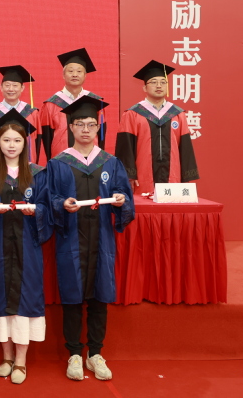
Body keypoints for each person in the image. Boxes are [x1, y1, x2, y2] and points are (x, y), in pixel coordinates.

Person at [46, 97, 134, 382]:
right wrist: (61, 204)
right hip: (71, 238)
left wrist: (121, 199)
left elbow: (124, 194)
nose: (86, 129)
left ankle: (95, 353)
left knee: (99, 295)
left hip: (101, 239)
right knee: (72, 296)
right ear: (71, 127)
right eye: (80, 124)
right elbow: (50, 199)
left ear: (98, 128)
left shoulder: (110, 162)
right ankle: (74, 353)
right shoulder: (58, 163)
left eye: (91, 124)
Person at [0, 109, 51, 385]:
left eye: (17, 140)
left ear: (24, 143)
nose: (11, 145)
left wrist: (36, 210)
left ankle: (21, 360)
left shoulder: (38, 173)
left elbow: (47, 207)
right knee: (0, 298)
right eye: (6, 140)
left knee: (25, 299)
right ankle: (6, 357)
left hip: (27, 246)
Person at [115, 60, 200, 195]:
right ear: (145, 88)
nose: (159, 86)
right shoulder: (133, 114)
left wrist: (186, 177)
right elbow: (125, 148)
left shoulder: (177, 114)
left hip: (173, 176)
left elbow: (185, 147)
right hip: (143, 176)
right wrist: (129, 175)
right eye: (153, 82)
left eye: (163, 82)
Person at [40, 48, 106, 161]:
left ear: (85, 75)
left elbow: (101, 135)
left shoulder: (95, 102)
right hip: (61, 159)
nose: (75, 75)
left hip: (90, 159)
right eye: (70, 71)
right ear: (63, 75)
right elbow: (47, 138)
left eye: (79, 71)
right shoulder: (51, 104)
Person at [0, 65, 40, 165]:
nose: (11, 89)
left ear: (22, 88)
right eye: (7, 85)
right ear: (1, 87)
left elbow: (37, 143)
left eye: (15, 85)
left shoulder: (32, 113)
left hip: (26, 166)